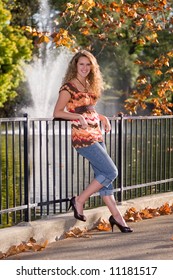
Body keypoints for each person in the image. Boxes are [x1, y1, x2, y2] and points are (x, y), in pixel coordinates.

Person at [53, 50, 133, 233]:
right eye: (81, 64)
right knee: (111, 171)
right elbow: (57, 112)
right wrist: (76, 116)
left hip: (96, 134)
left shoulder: (89, 85)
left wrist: (102, 117)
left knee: (105, 180)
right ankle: (79, 200)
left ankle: (117, 218)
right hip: (82, 138)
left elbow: (89, 111)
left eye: (88, 64)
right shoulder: (68, 88)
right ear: (75, 65)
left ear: (92, 67)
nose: (85, 68)